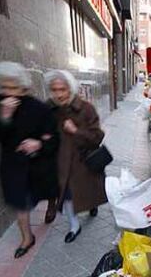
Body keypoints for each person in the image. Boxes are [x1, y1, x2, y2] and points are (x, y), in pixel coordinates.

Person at [0, 62, 59, 258]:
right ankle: (27, 237)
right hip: (13, 166)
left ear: (24, 87)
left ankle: (52, 204)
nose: (8, 93)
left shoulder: (39, 108)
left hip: (39, 165)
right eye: (4, 87)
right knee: (21, 204)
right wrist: (5, 117)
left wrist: (38, 144)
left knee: (49, 190)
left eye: (13, 87)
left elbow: (53, 137)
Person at [44, 70, 107, 243]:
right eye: (54, 90)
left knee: (88, 191)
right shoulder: (49, 109)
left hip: (83, 161)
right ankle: (74, 226)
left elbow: (97, 137)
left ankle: (92, 205)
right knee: (67, 195)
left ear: (70, 89)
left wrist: (76, 131)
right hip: (61, 163)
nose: (58, 94)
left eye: (62, 89)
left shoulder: (86, 109)